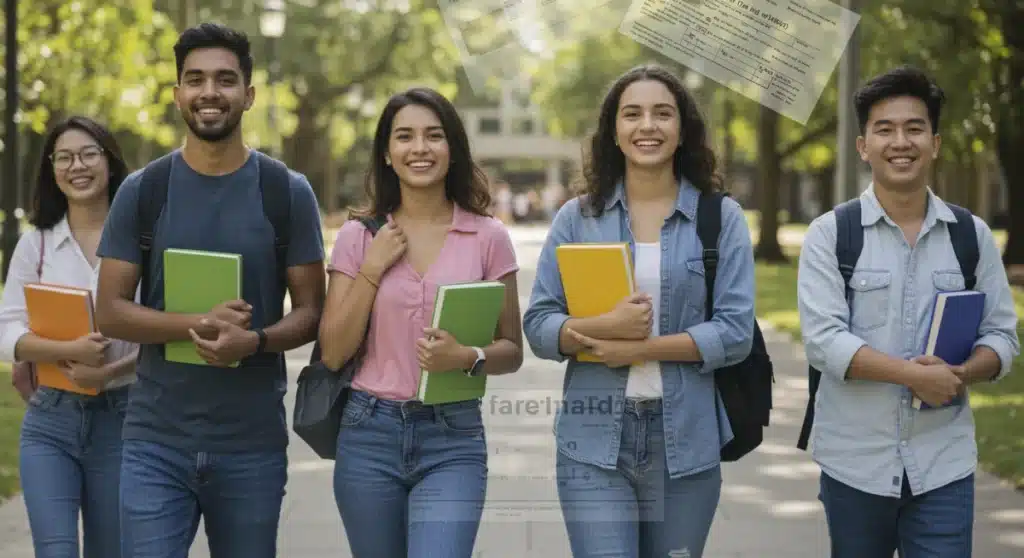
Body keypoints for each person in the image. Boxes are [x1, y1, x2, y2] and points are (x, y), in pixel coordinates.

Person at [94, 23, 325, 558]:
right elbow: (109, 312)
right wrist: (196, 323)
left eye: (224, 79)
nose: (209, 92)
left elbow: (312, 310)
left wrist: (257, 342)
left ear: (248, 94)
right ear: (177, 94)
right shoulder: (143, 191)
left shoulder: (286, 192)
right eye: (194, 79)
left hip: (251, 447)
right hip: (155, 441)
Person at [522, 64, 756, 557]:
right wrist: (602, 327)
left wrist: (636, 346)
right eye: (632, 114)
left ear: (682, 128)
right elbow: (540, 327)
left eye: (662, 113)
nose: (647, 125)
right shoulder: (578, 218)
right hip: (592, 443)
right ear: (614, 131)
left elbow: (735, 334)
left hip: (686, 444)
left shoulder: (720, 218)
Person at [797, 65, 1019, 557]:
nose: (901, 141)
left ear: (935, 143)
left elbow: (1003, 337)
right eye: (885, 129)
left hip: (944, 464)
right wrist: (911, 376)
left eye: (914, 128)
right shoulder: (831, 235)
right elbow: (822, 341)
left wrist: (960, 372)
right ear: (863, 146)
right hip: (854, 465)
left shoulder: (971, 235)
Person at [318, 86, 523, 558]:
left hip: (452, 438)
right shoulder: (357, 236)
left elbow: (511, 349)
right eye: (404, 137)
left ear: (453, 149)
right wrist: (372, 267)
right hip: (368, 434)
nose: (420, 148)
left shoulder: (488, 237)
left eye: (434, 136)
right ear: (387, 154)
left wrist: (466, 357)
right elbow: (333, 351)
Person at [0, 115, 137, 557]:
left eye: (88, 154)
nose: (76, 166)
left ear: (109, 162)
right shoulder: (36, 243)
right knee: (55, 551)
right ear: (52, 170)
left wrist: (111, 371)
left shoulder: (142, 240)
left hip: (124, 418)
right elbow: (6, 329)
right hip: (50, 421)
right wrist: (66, 350)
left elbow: (165, 328)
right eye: (64, 157)